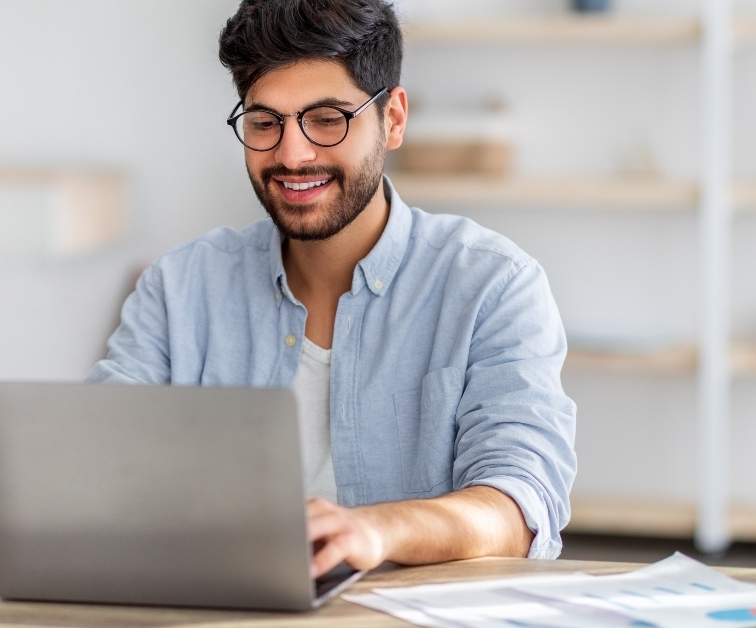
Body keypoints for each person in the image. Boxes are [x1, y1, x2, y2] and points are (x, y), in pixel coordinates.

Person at [88, 0, 576, 577]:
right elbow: (100, 466)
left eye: (327, 119)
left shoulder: (493, 285)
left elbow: (520, 506)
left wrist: (376, 527)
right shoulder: (180, 287)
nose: (292, 154)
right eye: (265, 122)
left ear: (392, 119)